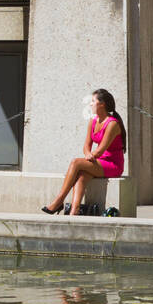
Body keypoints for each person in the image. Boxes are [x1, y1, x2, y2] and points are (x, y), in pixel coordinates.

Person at [41, 88, 126, 216]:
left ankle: (59, 200)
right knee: (81, 175)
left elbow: (101, 149)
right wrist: (88, 154)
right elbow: (87, 145)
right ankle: (74, 211)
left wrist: (91, 157)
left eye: (93, 101)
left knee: (76, 162)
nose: (90, 104)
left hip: (113, 164)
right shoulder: (93, 121)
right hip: (98, 161)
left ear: (102, 104)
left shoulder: (112, 124)